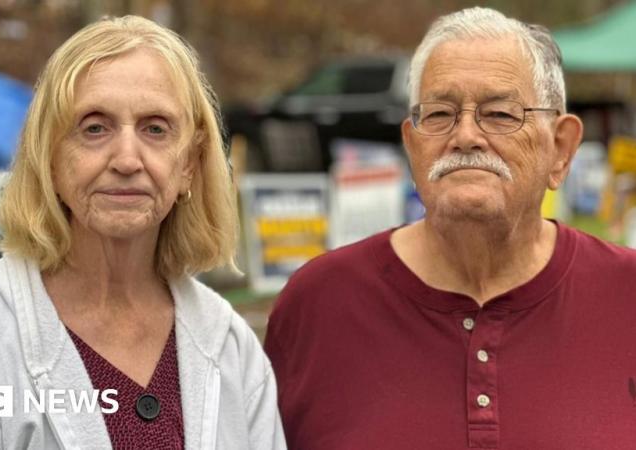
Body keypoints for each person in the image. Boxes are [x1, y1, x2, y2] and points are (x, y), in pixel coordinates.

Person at [264, 7, 636, 450]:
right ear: (411, 144)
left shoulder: (625, 294)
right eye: (439, 114)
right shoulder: (318, 304)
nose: (465, 135)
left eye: (499, 114)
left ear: (560, 149)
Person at [0, 15, 285, 449]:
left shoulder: (231, 347)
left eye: (155, 129)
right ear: (48, 158)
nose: (126, 159)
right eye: (94, 128)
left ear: (189, 165)